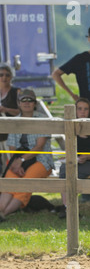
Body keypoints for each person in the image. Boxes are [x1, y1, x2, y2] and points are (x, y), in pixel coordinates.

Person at [0, 89, 54, 221]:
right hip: (17, 160)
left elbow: (39, 147)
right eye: (23, 100)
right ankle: (2, 209)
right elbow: (12, 147)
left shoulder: (42, 119)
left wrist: (22, 160)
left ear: (35, 103)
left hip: (41, 161)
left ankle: (4, 214)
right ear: (18, 103)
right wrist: (16, 163)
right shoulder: (15, 121)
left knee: (25, 182)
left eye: (30, 100)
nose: (27, 103)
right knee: (9, 183)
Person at [56, 98, 90, 218]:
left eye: (85, 109)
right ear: (75, 111)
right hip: (74, 162)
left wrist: (87, 156)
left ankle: (69, 209)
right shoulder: (70, 127)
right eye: (79, 109)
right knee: (64, 170)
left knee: (71, 174)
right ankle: (68, 208)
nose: (82, 112)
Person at [52, 25, 90, 119]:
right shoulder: (80, 59)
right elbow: (56, 74)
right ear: (89, 39)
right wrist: (72, 94)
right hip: (86, 111)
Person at [0, 63, 20, 174]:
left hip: (11, 135)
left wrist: (6, 109)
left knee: (10, 165)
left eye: (7, 75)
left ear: (11, 77)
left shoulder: (15, 92)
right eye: (1, 75)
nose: (4, 77)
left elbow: (22, 112)